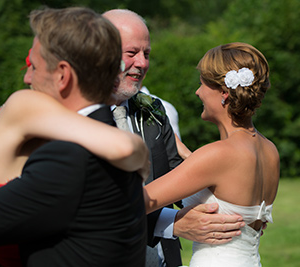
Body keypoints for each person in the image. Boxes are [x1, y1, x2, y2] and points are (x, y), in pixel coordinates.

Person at [0, 7, 148, 266]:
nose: (27, 77)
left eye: (34, 66)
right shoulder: (97, 148)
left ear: (62, 75)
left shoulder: (69, 159)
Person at [103, 9, 245, 267]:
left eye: (146, 54)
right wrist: (171, 223)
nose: (143, 63)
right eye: (132, 53)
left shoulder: (153, 111)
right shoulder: (72, 117)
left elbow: (178, 181)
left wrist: (233, 212)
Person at [144, 42, 280, 266]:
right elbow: (220, 182)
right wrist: (183, 150)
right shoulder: (269, 150)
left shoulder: (217, 155)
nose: (198, 92)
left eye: (202, 84)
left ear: (224, 93)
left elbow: (136, 202)